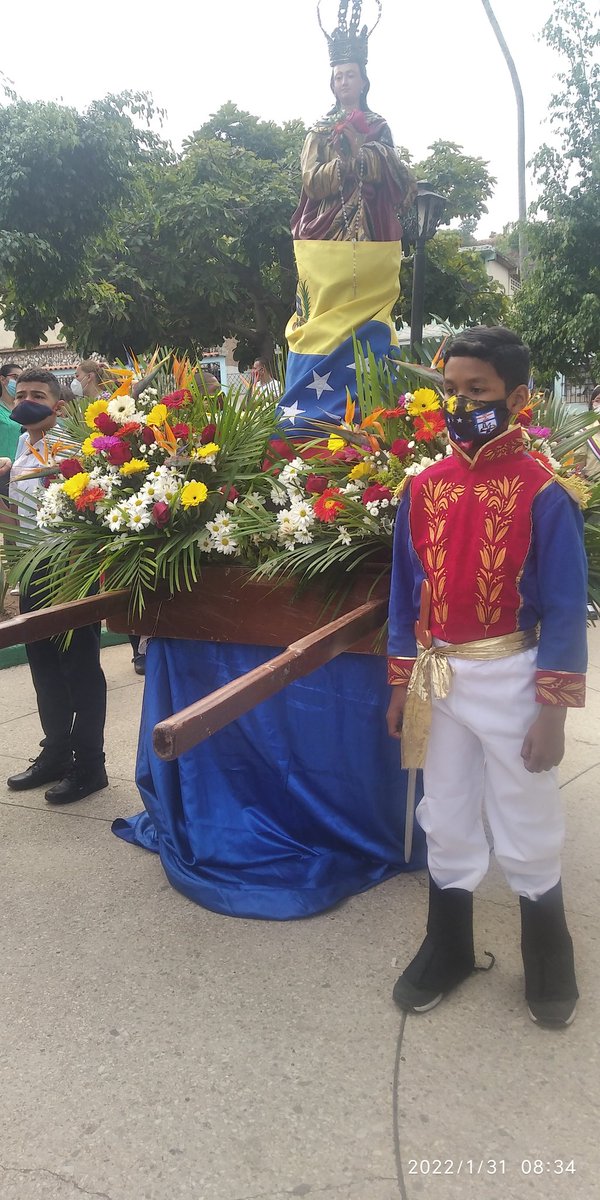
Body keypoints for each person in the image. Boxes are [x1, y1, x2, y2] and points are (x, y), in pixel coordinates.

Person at [386, 326, 588, 1029]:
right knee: (444, 810)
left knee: (526, 812)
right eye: (451, 390)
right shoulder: (422, 489)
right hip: (438, 678)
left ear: (518, 398)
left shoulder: (545, 494)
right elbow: (404, 596)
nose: (460, 404)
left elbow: (564, 609)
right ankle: (449, 946)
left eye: (478, 391)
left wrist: (553, 711)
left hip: (513, 676)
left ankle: (549, 955)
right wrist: (399, 683)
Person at [278, 2, 416, 434]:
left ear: (363, 79)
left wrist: (365, 154)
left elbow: (396, 172)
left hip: (370, 228)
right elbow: (309, 179)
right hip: (328, 230)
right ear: (331, 81)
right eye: (338, 76)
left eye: (350, 75)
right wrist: (341, 162)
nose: (344, 82)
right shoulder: (319, 130)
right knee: (322, 302)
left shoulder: (379, 125)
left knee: (370, 298)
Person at [6, 369, 109, 804]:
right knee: (44, 666)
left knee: (79, 668)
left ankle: (90, 765)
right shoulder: (22, 444)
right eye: (20, 394)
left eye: (37, 395)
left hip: (69, 568)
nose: (26, 401)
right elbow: (18, 512)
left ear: (58, 406)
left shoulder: (71, 445)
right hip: (33, 566)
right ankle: (56, 754)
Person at [0, 362, 22, 501]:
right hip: (4, 471)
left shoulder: (24, 407)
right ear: (3, 379)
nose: (18, 382)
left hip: (25, 470)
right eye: (15, 377)